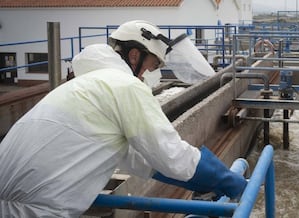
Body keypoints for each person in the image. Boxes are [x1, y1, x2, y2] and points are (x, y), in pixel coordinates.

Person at [0, 20, 246, 217]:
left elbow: (142, 159)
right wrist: (229, 181)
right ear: (134, 56)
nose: (151, 75)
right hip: (36, 209)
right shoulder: (124, 86)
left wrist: (201, 182)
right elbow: (171, 155)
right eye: (152, 65)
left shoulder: (86, 86)